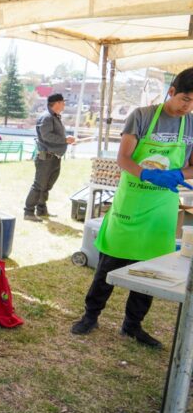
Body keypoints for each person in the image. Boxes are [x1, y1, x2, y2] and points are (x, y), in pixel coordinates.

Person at [71, 67, 193, 348]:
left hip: (162, 206)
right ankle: (91, 315)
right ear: (171, 91)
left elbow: (191, 167)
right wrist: (147, 173)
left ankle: (132, 325)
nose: (188, 107)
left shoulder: (192, 125)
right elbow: (124, 159)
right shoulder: (142, 116)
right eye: (185, 99)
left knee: (150, 265)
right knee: (110, 261)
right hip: (132, 200)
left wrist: (178, 175)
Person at [23, 93, 76, 221]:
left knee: (47, 185)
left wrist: (65, 140)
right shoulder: (47, 117)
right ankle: (28, 212)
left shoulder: (54, 117)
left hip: (54, 156)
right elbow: (46, 136)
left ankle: (41, 210)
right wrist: (65, 140)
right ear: (57, 103)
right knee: (39, 185)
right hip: (46, 156)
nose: (64, 104)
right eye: (63, 102)